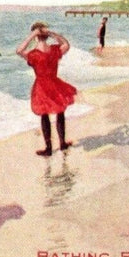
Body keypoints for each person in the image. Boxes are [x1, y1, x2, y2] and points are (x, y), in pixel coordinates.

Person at [16, 22, 77, 156]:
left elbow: (19, 51)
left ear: (37, 37)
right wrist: (51, 33)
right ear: (46, 37)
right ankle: (62, 144)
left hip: (42, 86)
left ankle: (49, 148)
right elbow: (66, 44)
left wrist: (32, 35)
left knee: (45, 115)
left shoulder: (34, 54)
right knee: (60, 112)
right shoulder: (54, 50)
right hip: (55, 83)